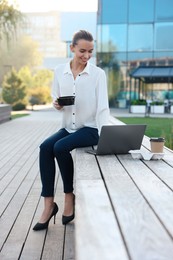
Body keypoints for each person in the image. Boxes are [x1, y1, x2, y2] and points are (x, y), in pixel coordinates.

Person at [33, 30, 110, 231]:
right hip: (68, 128)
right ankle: (49, 204)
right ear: (72, 48)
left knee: (59, 148)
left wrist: (106, 137)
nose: (86, 56)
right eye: (82, 51)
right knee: (45, 147)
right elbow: (55, 96)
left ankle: (69, 196)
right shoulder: (59, 71)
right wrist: (56, 104)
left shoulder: (98, 74)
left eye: (90, 51)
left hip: (90, 129)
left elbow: (103, 108)